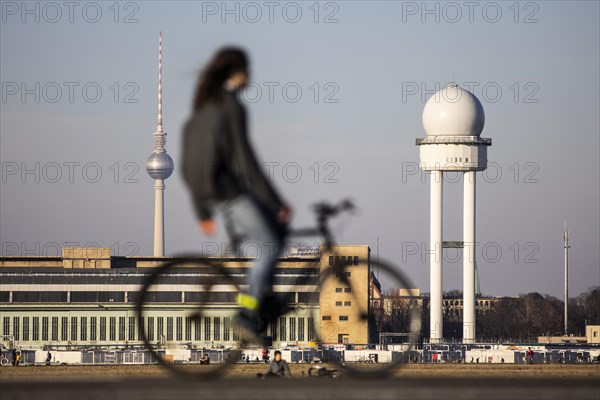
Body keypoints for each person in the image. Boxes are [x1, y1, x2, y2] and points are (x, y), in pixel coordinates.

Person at [182, 48, 291, 337]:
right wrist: (276, 200)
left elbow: (187, 164)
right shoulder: (232, 108)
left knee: (278, 228)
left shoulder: (202, 109)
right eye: (248, 69)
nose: (251, 75)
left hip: (212, 192)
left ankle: (264, 299)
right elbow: (246, 162)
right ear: (237, 73)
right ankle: (247, 310)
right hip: (229, 193)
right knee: (268, 246)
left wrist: (200, 209)